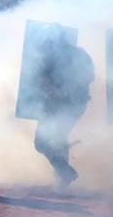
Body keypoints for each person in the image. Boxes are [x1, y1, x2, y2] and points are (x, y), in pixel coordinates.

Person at [33, 33, 93, 189]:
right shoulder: (81, 55)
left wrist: (62, 89)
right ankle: (62, 178)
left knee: (41, 143)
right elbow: (90, 76)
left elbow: (40, 81)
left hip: (61, 106)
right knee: (59, 140)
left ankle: (64, 172)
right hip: (73, 106)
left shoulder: (52, 58)